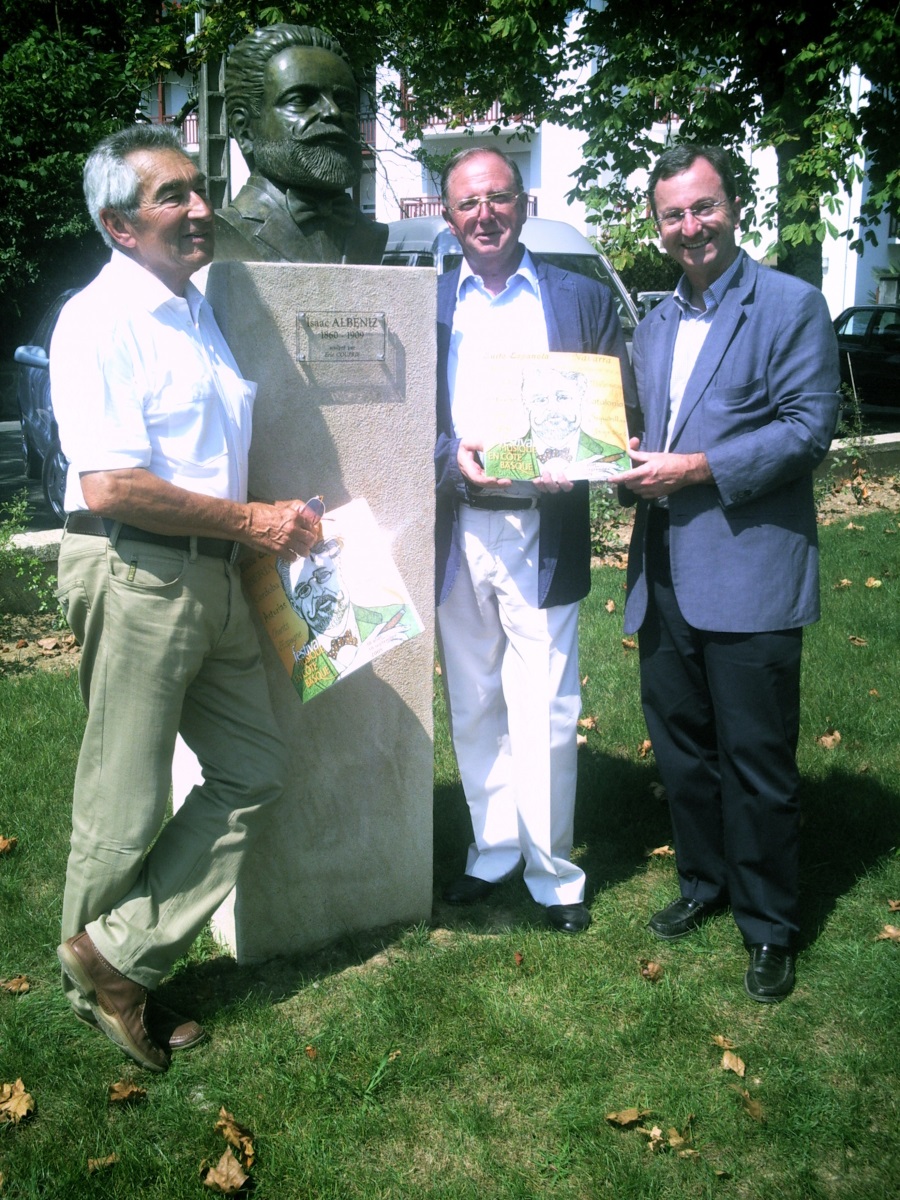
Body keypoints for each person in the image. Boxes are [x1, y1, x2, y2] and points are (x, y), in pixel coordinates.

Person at [50, 125, 322, 1071]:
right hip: (136, 570)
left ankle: (111, 958)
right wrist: (252, 523)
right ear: (121, 224)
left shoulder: (192, 306)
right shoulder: (100, 321)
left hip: (211, 573)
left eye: (199, 190)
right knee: (121, 799)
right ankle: (104, 992)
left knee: (252, 769)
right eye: (174, 197)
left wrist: (259, 529)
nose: (200, 208)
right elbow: (109, 485)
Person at [617, 144, 840, 1001]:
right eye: (673, 214)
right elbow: (648, 427)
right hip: (664, 568)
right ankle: (704, 883)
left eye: (702, 208)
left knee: (757, 760)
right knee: (682, 749)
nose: (689, 227)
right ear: (658, 225)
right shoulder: (655, 322)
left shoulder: (790, 303)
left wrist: (696, 468)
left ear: (733, 206)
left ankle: (770, 923)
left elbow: (807, 429)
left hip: (749, 571)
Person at [435, 146, 636, 933]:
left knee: (548, 704)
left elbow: (612, 407)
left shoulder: (579, 297)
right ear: (449, 218)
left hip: (541, 528)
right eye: (467, 204)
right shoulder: (429, 306)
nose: (484, 215)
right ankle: (492, 851)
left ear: (524, 202)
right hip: (459, 527)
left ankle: (554, 874)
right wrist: (447, 459)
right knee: (475, 700)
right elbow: (409, 420)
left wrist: (583, 458)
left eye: (498, 198)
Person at [214, 23, 388, 265]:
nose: (333, 112)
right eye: (301, 100)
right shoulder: (224, 231)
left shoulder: (371, 234)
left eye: (344, 102)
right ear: (245, 130)